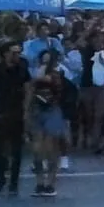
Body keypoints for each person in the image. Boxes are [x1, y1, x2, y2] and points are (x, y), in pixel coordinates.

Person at [0, 42, 31, 195]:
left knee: (16, 149)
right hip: (0, 109)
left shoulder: (22, 68)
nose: (17, 55)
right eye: (14, 52)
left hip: (16, 110)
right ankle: (0, 177)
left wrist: (26, 111)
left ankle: (14, 182)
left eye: (18, 52)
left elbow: (27, 90)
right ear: (6, 53)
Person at [27, 50, 68, 197]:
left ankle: (50, 183)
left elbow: (45, 81)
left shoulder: (57, 73)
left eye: (47, 61)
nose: (45, 62)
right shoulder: (34, 72)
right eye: (43, 60)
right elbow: (30, 89)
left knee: (51, 148)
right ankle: (39, 182)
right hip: (37, 111)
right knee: (37, 149)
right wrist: (27, 111)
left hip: (52, 110)